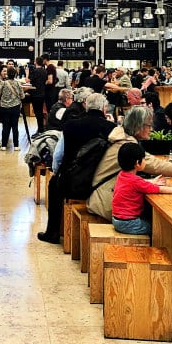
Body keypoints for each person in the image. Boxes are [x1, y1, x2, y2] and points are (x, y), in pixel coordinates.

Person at [87, 106, 172, 222]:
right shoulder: (126, 144)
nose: (151, 129)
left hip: (105, 196)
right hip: (107, 204)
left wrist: (149, 183)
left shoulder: (122, 137)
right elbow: (155, 165)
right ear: (138, 126)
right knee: (157, 219)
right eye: (149, 125)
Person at [37, 93, 117, 243]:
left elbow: (59, 156)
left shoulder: (71, 126)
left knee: (54, 186)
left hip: (71, 182)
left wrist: (56, 172)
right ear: (104, 109)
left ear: (86, 105)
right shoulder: (111, 129)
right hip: (97, 184)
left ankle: (52, 232)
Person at [111, 143, 172, 235]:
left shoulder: (122, 175)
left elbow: (138, 184)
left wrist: (152, 181)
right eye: (144, 159)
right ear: (137, 163)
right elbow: (158, 189)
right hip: (129, 223)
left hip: (117, 220)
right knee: (159, 229)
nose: (145, 161)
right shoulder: (135, 181)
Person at [0, 66, 24, 151]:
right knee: (15, 126)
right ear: (15, 74)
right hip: (15, 107)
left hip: (4, 107)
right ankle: (16, 146)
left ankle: (4, 145)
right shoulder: (18, 83)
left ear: (7, 74)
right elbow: (22, 96)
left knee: (5, 126)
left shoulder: (3, 83)